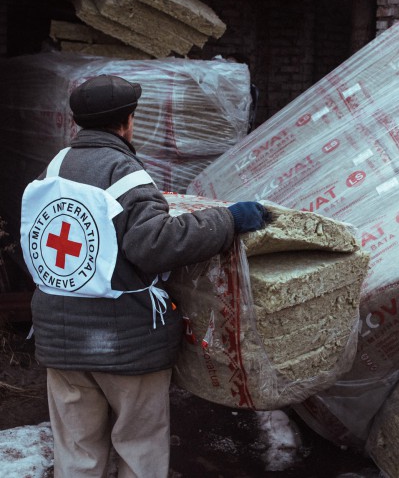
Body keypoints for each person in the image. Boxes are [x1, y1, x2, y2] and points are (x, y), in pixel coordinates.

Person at [19, 74, 268, 477]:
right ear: (127, 121)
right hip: (125, 346)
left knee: (78, 452)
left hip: (60, 339)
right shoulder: (126, 173)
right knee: (139, 449)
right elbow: (156, 245)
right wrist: (228, 219)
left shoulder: (56, 165)